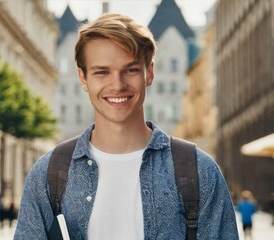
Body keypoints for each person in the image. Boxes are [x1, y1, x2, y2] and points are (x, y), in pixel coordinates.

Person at [14, 13, 238, 239]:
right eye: (102, 72)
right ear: (83, 78)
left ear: (149, 73)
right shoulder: (47, 175)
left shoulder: (199, 171)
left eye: (130, 70)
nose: (118, 85)